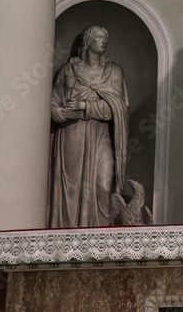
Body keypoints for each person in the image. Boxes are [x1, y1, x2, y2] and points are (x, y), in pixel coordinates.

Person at [48, 24, 130, 227]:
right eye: (99, 37)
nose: (104, 41)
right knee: (73, 186)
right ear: (87, 41)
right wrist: (56, 111)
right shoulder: (69, 70)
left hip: (101, 134)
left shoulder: (114, 72)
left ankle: (100, 234)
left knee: (103, 186)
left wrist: (84, 105)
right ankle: (68, 237)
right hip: (72, 133)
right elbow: (53, 101)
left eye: (105, 38)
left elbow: (119, 108)